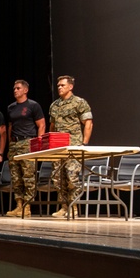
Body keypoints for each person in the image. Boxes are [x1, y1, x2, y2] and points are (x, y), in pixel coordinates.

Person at [49, 75, 94, 218]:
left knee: (71, 175)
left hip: (73, 144)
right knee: (58, 177)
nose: (59, 88)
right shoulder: (54, 105)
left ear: (70, 86)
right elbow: (52, 125)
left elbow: (88, 123)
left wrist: (84, 143)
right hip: (58, 146)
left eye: (62, 85)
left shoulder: (79, 102)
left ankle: (73, 207)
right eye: (58, 85)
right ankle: (63, 206)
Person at [5, 80, 46, 217]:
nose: (15, 90)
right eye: (14, 88)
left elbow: (41, 125)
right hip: (14, 144)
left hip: (28, 142)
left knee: (28, 176)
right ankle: (19, 205)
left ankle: (27, 206)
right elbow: (10, 127)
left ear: (25, 90)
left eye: (18, 88)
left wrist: (38, 144)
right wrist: (10, 146)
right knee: (16, 177)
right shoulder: (11, 107)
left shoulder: (33, 105)